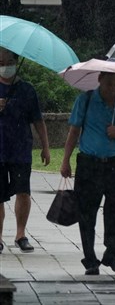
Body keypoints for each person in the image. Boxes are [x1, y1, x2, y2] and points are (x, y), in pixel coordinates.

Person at [60, 72, 115, 275]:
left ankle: (113, 255)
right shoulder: (85, 100)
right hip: (89, 164)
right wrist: (65, 160)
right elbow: (74, 131)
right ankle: (90, 259)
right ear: (99, 80)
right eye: (109, 83)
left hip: (114, 165)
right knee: (87, 214)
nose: (113, 88)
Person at [0, 47, 50, 254]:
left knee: (23, 192)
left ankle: (21, 234)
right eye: (1, 63)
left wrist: (46, 147)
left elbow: (38, 120)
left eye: (8, 62)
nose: (5, 67)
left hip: (20, 149)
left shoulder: (27, 90)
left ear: (16, 62)